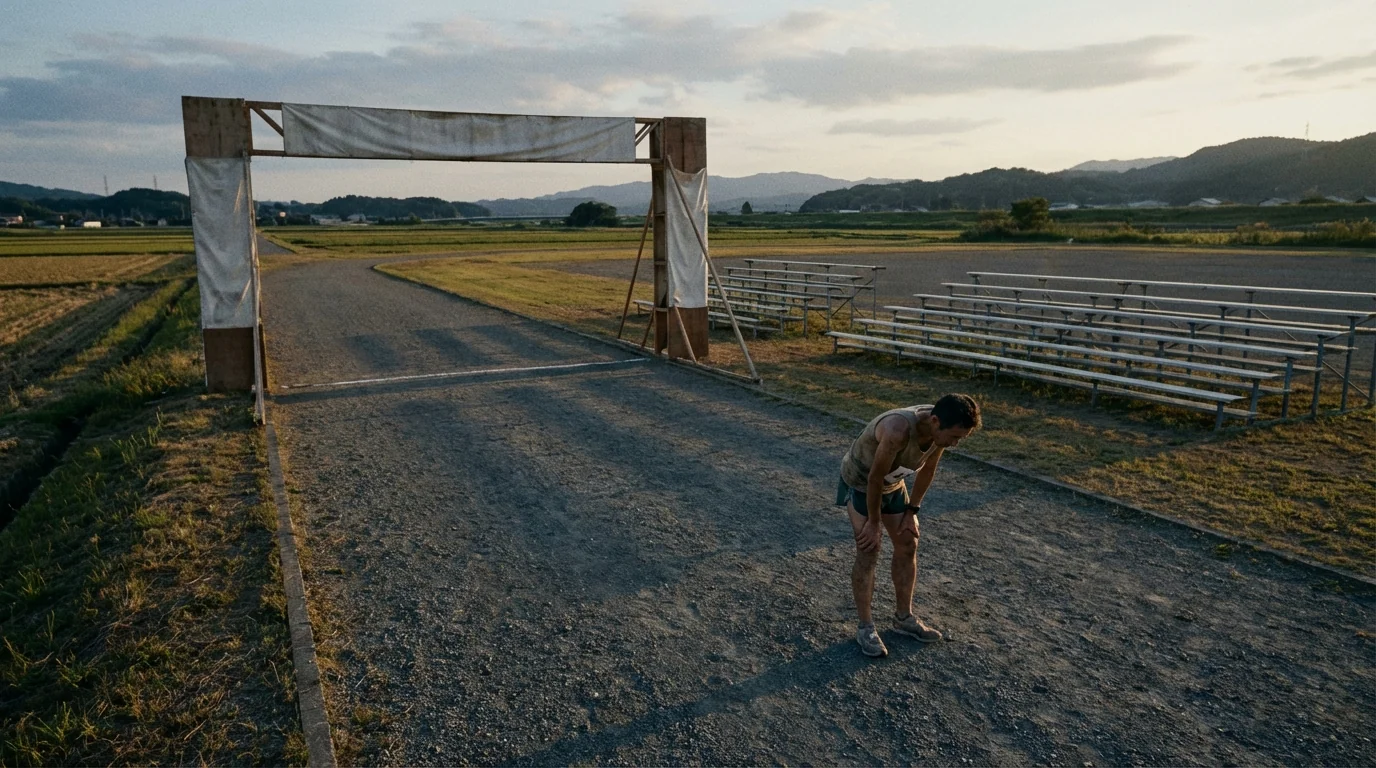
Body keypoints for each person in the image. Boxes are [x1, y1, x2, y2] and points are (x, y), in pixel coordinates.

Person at [836, 393, 981, 657]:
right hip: (861, 482)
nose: (956, 444)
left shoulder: (938, 432)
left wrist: (912, 510)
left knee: (907, 542)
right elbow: (874, 479)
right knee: (869, 548)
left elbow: (927, 469)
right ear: (935, 421)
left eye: (961, 438)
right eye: (955, 437)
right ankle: (865, 627)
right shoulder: (898, 430)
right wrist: (874, 523)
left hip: (892, 485)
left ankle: (904, 618)